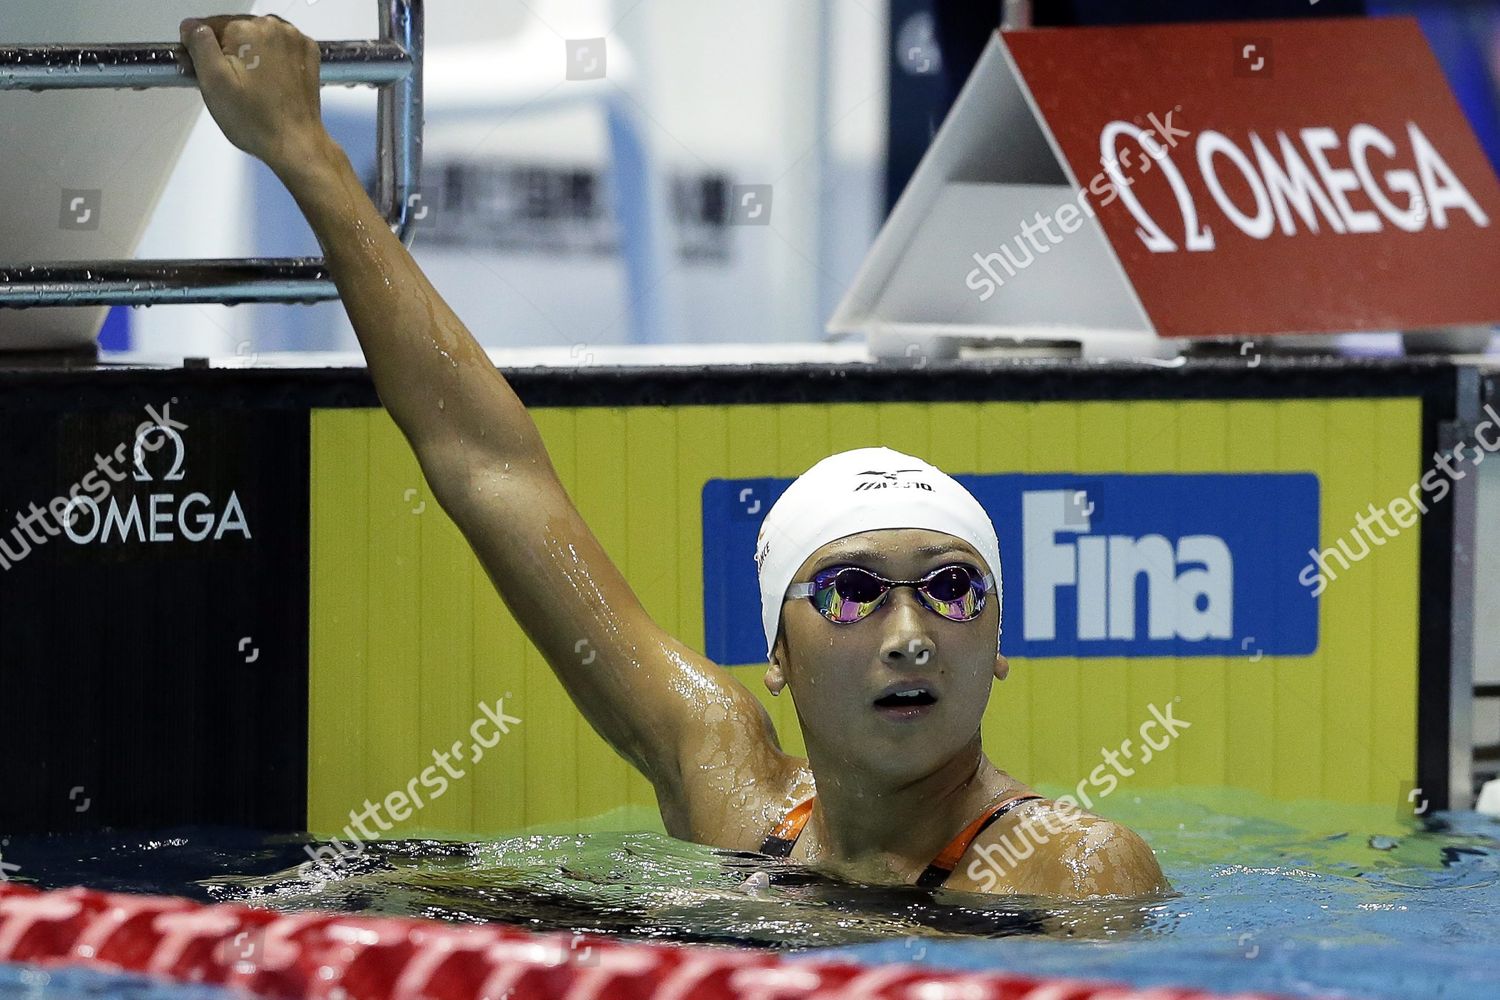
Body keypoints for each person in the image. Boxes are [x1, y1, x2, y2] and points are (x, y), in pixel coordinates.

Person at [179, 14, 1169, 899]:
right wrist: (306, 151)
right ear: (776, 654)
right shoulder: (735, 790)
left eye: (952, 587)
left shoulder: (1069, 868)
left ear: (1000, 647)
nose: (909, 634)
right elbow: (490, 469)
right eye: (853, 590)